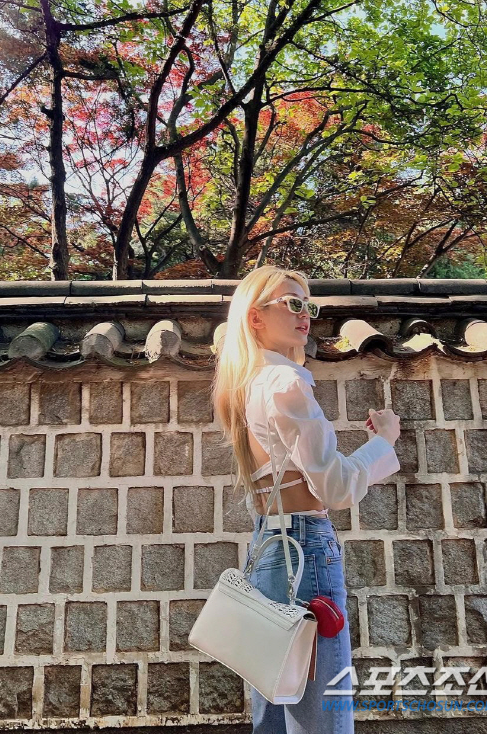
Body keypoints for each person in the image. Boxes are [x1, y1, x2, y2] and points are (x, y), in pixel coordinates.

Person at [211, 265, 401, 734]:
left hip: (268, 550)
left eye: (309, 306)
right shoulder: (286, 382)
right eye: (293, 303)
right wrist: (383, 443)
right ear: (255, 316)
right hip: (306, 551)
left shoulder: (245, 384)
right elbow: (336, 489)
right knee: (321, 716)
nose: (306, 315)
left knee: (276, 711)